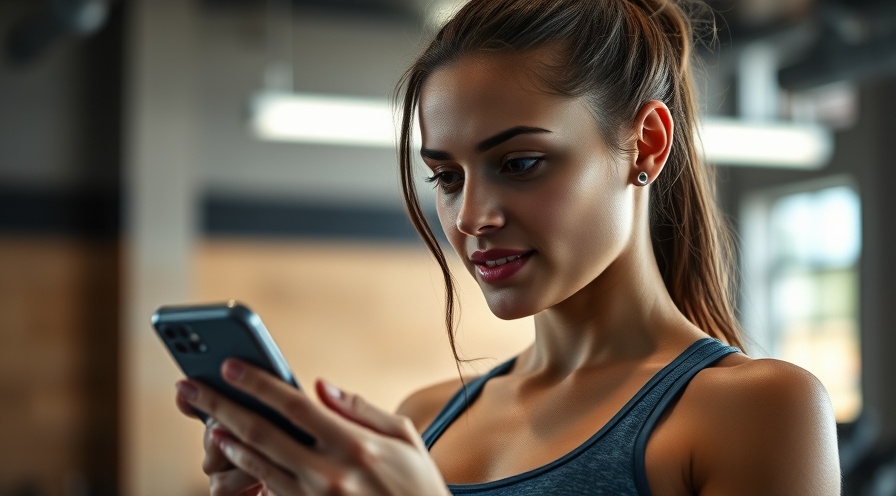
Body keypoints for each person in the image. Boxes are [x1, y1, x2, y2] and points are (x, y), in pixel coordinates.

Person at [174, 0, 842, 494]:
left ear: (646, 144)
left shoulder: (759, 411)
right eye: (446, 176)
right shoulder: (422, 419)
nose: (471, 218)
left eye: (520, 163)